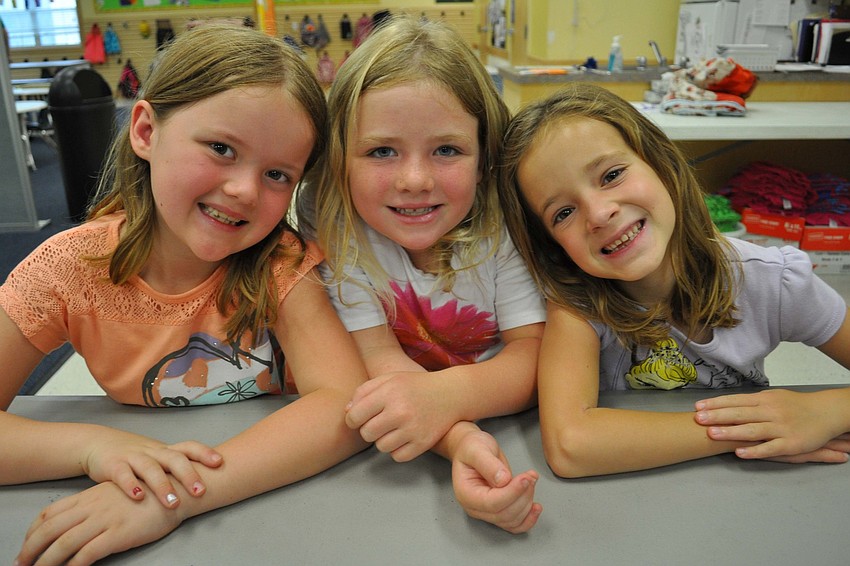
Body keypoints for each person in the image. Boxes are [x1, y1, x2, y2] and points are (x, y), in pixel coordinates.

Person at [6, 24, 369, 564]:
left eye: (277, 174)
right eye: (221, 148)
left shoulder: (280, 264)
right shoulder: (66, 269)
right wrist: (91, 446)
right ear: (147, 131)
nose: (245, 190)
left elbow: (343, 404)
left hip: (274, 509)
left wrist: (175, 495)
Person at [497, 83, 850, 478]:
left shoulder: (775, 279)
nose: (598, 215)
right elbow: (571, 445)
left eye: (611, 175)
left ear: (661, 163)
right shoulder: (577, 304)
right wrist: (750, 430)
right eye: (562, 213)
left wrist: (826, 410)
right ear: (552, 245)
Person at [297, 15, 545, 533]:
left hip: (520, 429)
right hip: (413, 433)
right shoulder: (336, 220)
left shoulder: (502, 217)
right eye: (382, 151)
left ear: (484, 159)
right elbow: (377, 353)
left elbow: (534, 353)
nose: (415, 180)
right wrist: (459, 439)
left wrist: (446, 400)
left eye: (447, 150)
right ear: (340, 159)